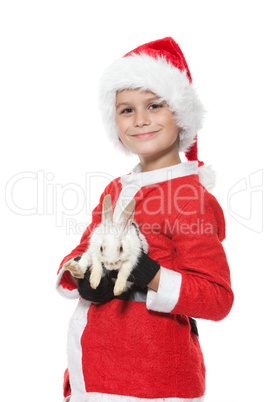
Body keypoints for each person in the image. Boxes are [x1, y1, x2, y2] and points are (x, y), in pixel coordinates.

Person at [56, 37, 234, 402]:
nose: (140, 120)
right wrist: (80, 273)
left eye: (154, 105)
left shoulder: (191, 200)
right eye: (126, 110)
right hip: (95, 370)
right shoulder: (116, 189)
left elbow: (217, 299)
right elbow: (83, 247)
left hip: (153, 383)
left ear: (181, 113)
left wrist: (151, 275)